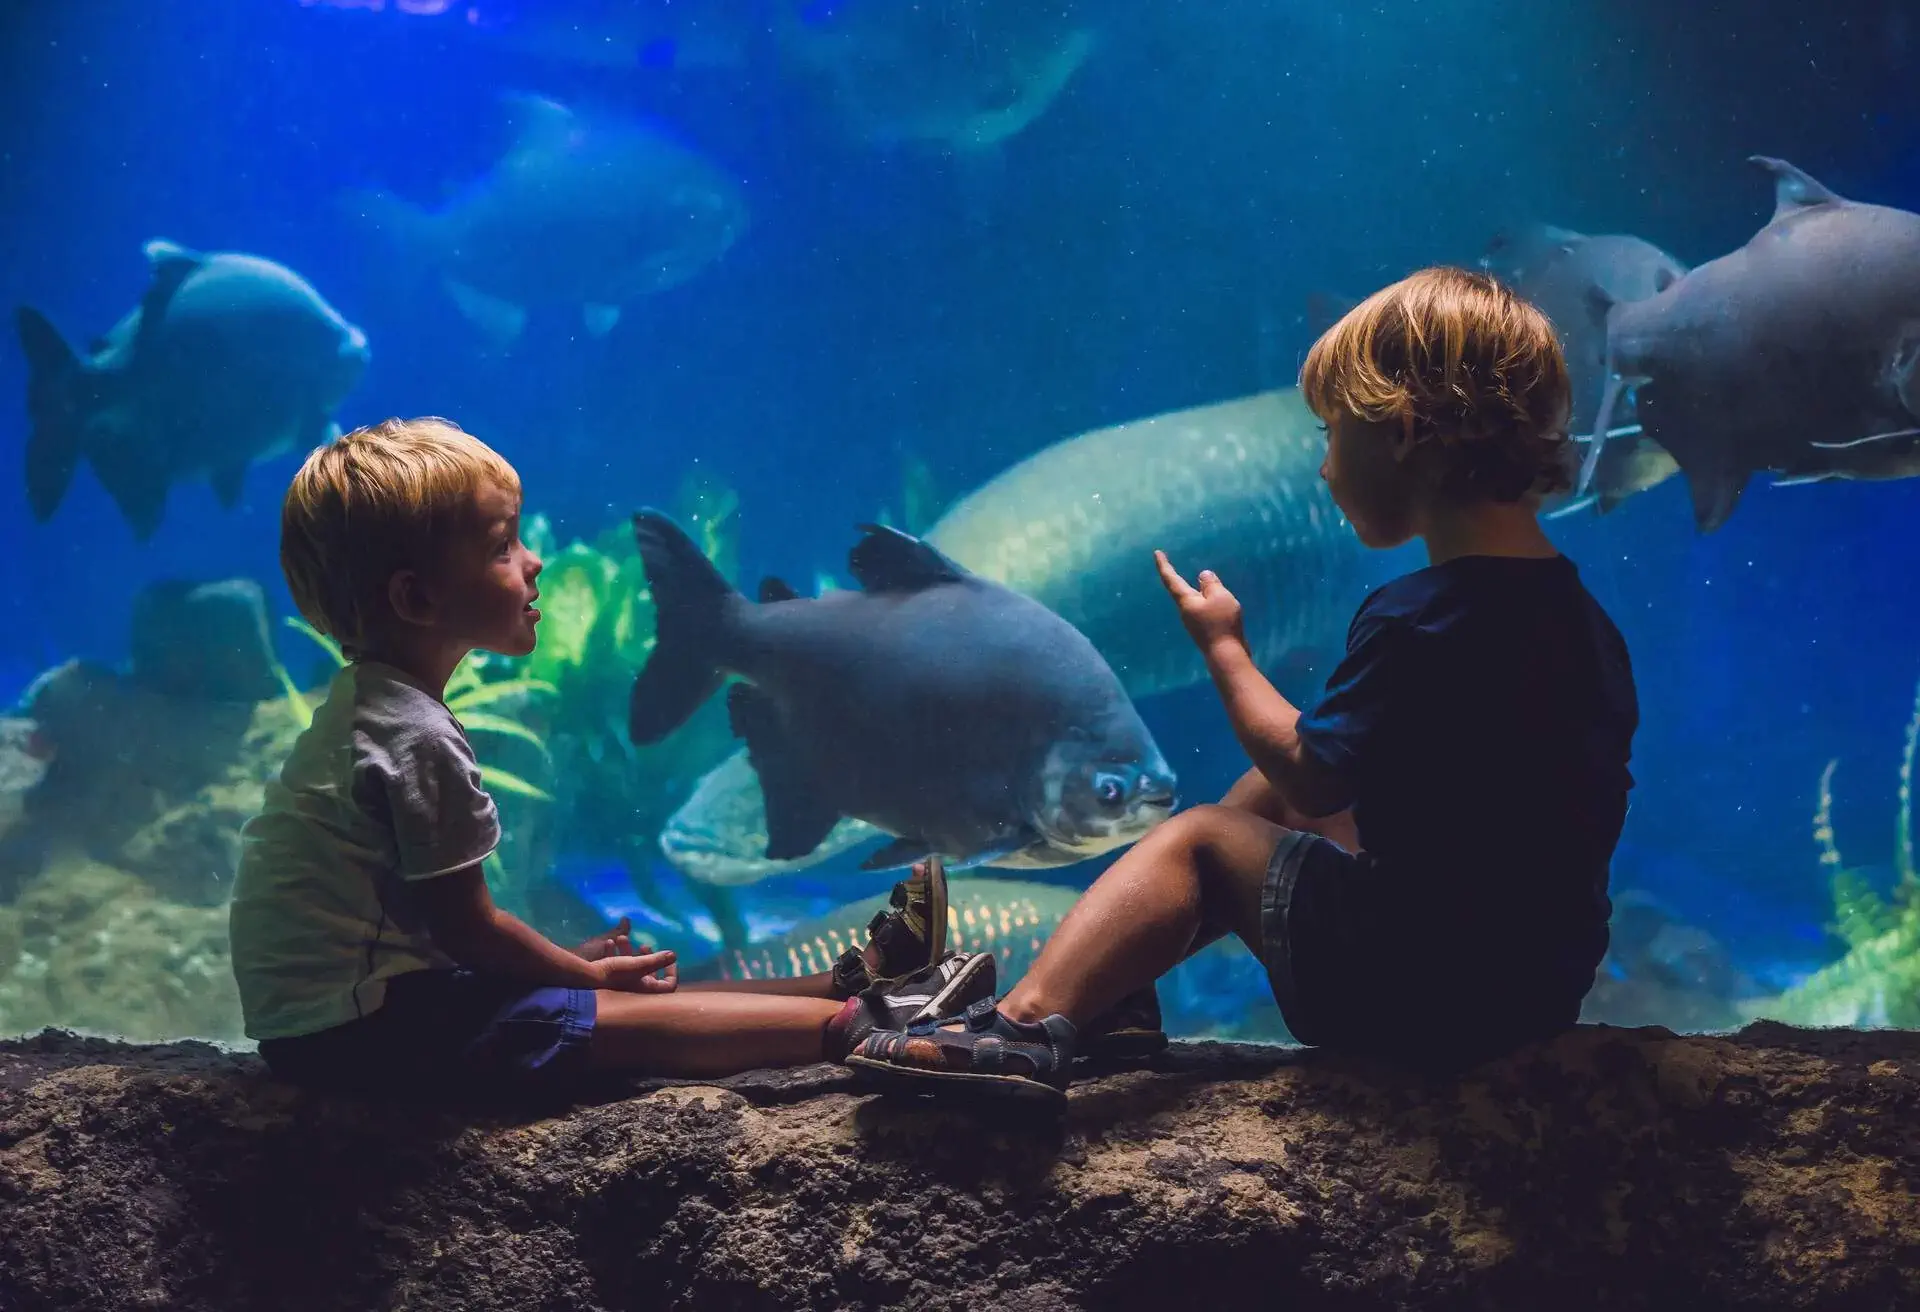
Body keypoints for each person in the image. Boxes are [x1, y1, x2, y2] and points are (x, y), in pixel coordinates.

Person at [847, 266, 1640, 1106]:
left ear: (1404, 435)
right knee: (1269, 798)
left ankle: (1025, 1030)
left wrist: (1225, 649)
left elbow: (1313, 773)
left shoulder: (1417, 620)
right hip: (1535, 991)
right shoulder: (1582, 621)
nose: (1327, 469)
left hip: (1413, 993)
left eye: (1334, 436)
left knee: (1203, 838)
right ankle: (1110, 991)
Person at [228, 416, 994, 1098]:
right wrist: (576, 972)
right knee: (596, 1014)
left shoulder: (374, 709)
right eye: (502, 547)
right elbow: (469, 932)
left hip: (352, 1016)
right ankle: (859, 1027)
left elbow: (437, 929)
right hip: (360, 1040)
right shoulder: (413, 735)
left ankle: (844, 982)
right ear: (416, 600)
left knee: (601, 989)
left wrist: (564, 964)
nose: (534, 563)